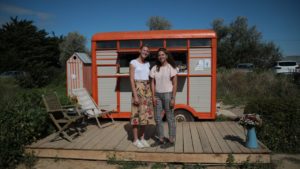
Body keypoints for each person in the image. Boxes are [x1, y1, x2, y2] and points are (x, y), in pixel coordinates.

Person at [150, 48, 177, 148]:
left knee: (170, 118)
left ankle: (171, 140)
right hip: (157, 95)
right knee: (157, 118)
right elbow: (152, 82)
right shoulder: (155, 68)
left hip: (168, 94)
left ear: (166, 56)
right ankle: (160, 139)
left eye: (162, 55)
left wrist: (173, 98)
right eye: (159, 55)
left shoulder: (171, 67)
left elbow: (175, 84)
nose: (161, 57)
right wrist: (153, 96)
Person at [129, 45, 155, 148]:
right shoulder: (133, 62)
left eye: (147, 51)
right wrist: (135, 95)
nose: (145, 52)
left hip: (147, 91)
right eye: (144, 50)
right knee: (136, 116)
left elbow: (150, 78)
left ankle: (142, 138)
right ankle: (135, 140)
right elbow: (131, 79)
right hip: (138, 90)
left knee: (145, 116)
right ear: (139, 50)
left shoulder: (148, 64)